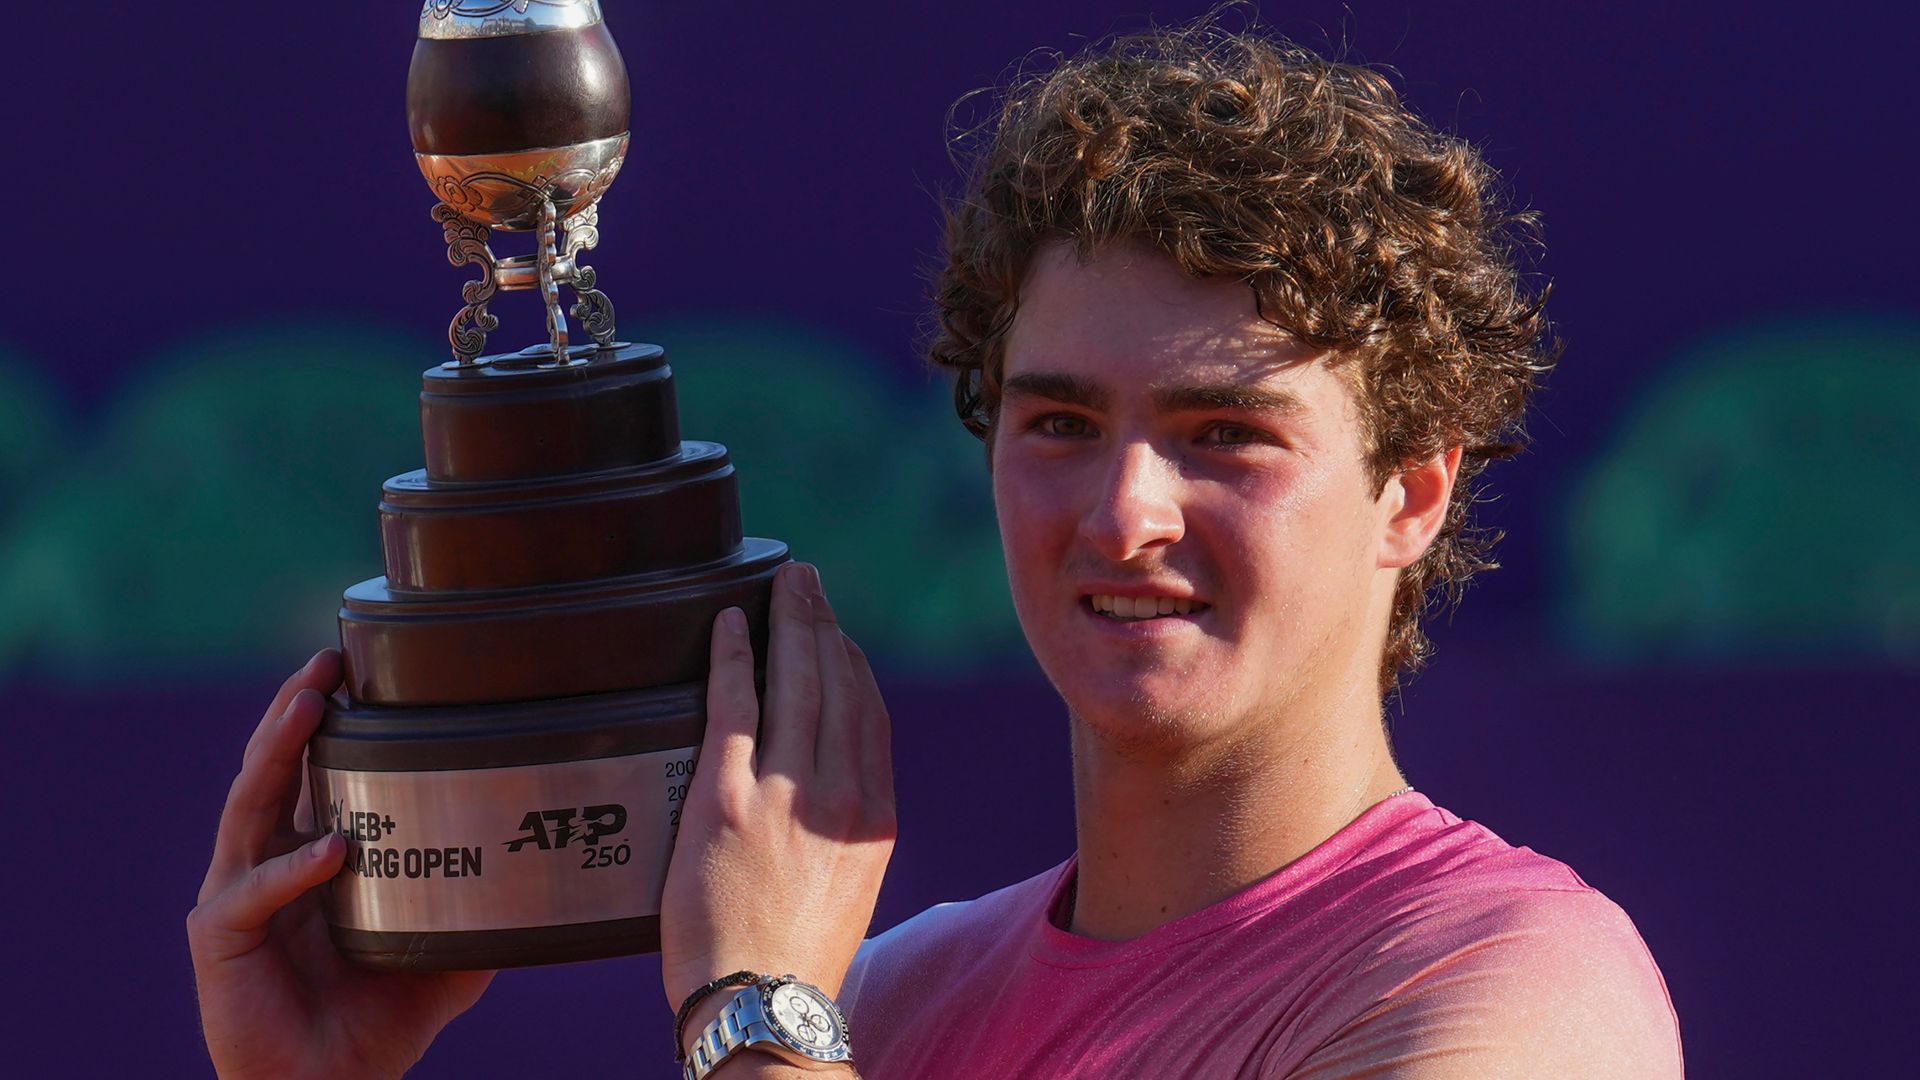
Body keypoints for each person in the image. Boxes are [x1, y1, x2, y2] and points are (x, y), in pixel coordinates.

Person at [189, 19, 1684, 1079]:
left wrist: (757, 1007)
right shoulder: (886, 1005)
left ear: (1412, 494)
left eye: (1226, 433)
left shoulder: (1518, 986)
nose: (1123, 513)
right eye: (1058, 425)